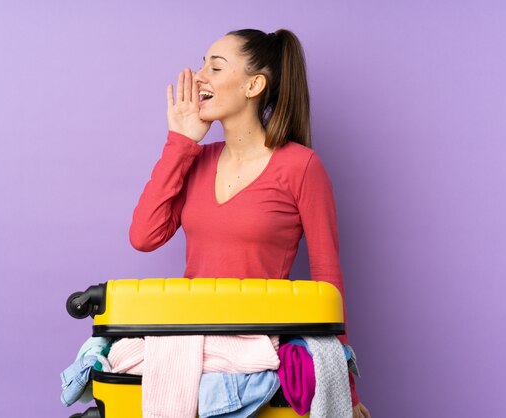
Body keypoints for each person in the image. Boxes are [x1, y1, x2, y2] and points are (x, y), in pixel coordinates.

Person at [129, 28, 371, 418]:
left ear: (254, 85)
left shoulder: (301, 166)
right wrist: (180, 142)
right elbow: (143, 236)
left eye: (215, 66)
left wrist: (346, 387)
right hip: (190, 346)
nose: (198, 75)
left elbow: (328, 278)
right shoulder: (195, 160)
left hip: (257, 349)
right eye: (202, 62)